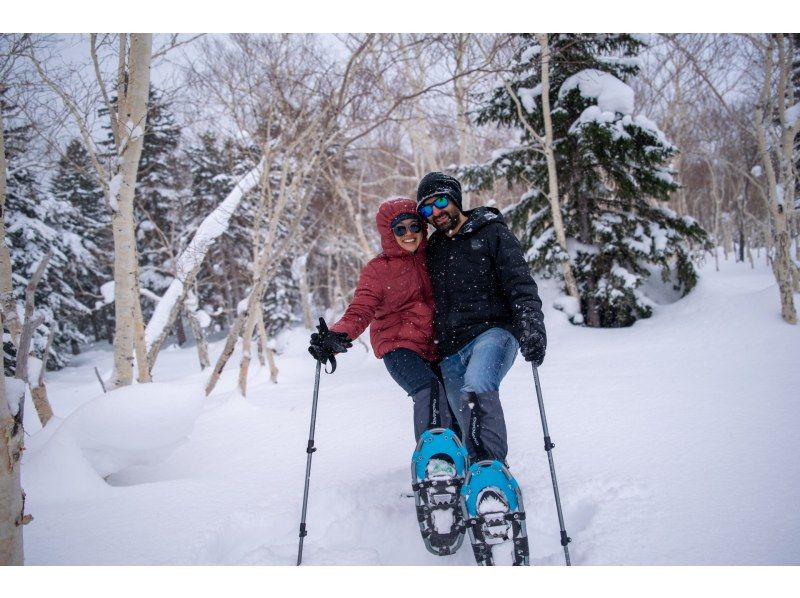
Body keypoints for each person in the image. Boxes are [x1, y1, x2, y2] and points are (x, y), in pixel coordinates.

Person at [416, 172, 547, 465]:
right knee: (463, 417)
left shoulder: (491, 232)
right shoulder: (434, 249)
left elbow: (520, 284)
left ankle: (492, 470)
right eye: (427, 209)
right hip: (450, 349)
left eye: (439, 202)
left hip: (494, 333)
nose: (436, 212)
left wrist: (531, 326)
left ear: (454, 199)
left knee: (476, 387)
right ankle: (473, 475)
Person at [307, 197, 455, 443]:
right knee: (430, 391)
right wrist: (337, 336)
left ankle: (460, 455)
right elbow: (360, 309)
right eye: (400, 229)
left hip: (438, 345)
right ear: (389, 233)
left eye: (414, 226)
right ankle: (434, 459)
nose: (409, 233)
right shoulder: (378, 270)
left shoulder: (435, 256)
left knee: (454, 398)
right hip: (399, 346)